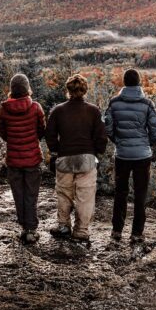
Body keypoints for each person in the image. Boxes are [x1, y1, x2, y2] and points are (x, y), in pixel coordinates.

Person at [45, 74, 106, 243]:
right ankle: (81, 230)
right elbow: (101, 136)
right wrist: (96, 151)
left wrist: (56, 149)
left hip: (65, 158)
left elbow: (49, 134)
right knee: (85, 196)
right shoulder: (93, 110)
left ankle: (64, 226)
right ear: (85, 90)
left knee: (64, 194)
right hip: (87, 158)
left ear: (68, 90)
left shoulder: (58, 110)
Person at [104, 68, 156, 244]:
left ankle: (116, 231)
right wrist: (146, 144)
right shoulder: (147, 104)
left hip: (122, 155)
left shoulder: (114, 103)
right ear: (139, 83)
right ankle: (137, 233)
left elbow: (108, 127)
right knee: (140, 194)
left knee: (120, 192)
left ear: (124, 83)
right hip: (142, 156)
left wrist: (118, 141)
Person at [0, 73, 46, 245]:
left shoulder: (4, 109)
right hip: (32, 158)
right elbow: (41, 131)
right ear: (27, 88)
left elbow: (4, 135)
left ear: (12, 89)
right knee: (31, 195)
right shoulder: (36, 107)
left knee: (18, 195)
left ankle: (24, 227)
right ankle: (31, 229)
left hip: (14, 160)